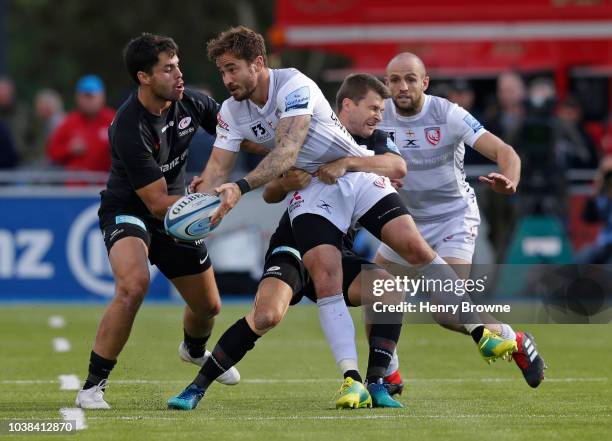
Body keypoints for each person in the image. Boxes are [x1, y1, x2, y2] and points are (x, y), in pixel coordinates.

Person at [170, 26, 517, 410]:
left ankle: (480, 330)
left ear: (259, 63)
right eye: (222, 71)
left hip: (356, 179)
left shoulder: (294, 85)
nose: (227, 79)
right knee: (326, 278)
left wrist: (240, 187)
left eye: (232, 69)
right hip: (315, 192)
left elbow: (286, 152)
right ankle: (352, 380)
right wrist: (200, 205)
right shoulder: (233, 112)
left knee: (412, 246)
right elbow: (219, 168)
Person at [167, 73, 407, 410]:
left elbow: (397, 166)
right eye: (374, 107)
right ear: (345, 107)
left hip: (337, 253)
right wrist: (287, 181)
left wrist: (351, 166)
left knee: (387, 288)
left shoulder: (375, 142)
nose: (378, 116)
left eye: (382, 110)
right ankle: (195, 388)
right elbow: (271, 193)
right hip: (294, 246)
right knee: (266, 316)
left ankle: (376, 383)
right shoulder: (309, 130)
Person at [74, 33, 240, 410]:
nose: (178, 74)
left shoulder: (191, 102)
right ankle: (92, 387)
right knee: (133, 286)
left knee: (209, 307)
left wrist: (284, 150)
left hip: (175, 209)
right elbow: (155, 201)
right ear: (143, 77)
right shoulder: (128, 126)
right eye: (168, 68)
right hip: (131, 210)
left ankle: (193, 349)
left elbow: (238, 135)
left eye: (178, 64)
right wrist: (212, 199)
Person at [375, 52, 545, 387]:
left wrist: (510, 180)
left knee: (447, 313)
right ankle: (387, 375)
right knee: (379, 294)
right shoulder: (378, 114)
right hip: (405, 220)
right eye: (395, 80)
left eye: (410, 78)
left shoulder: (448, 114)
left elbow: (505, 152)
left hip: (452, 218)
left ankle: (515, 339)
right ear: (386, 84)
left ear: (425, 82)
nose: (403, 86)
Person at [46, 75, 115, 173]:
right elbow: (51, 152)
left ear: (102, 97)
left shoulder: (113, 120)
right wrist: (69, 149)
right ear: (77, 98)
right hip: (76, 186)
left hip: (106, 184)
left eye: (91, 96)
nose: (88, 101)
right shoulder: (69, 122)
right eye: (84, 96)